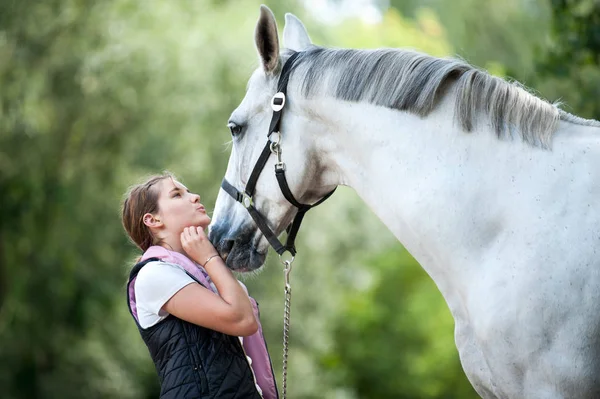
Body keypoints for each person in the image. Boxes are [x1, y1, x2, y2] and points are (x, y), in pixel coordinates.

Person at [122, 172, 278, 399]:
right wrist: (210, 259)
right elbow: (243, 319)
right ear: (153, 220)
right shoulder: (153, 274)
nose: (194, 197)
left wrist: (209, 260)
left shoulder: (204, 273)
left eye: (188, 192)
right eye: (177, 195)